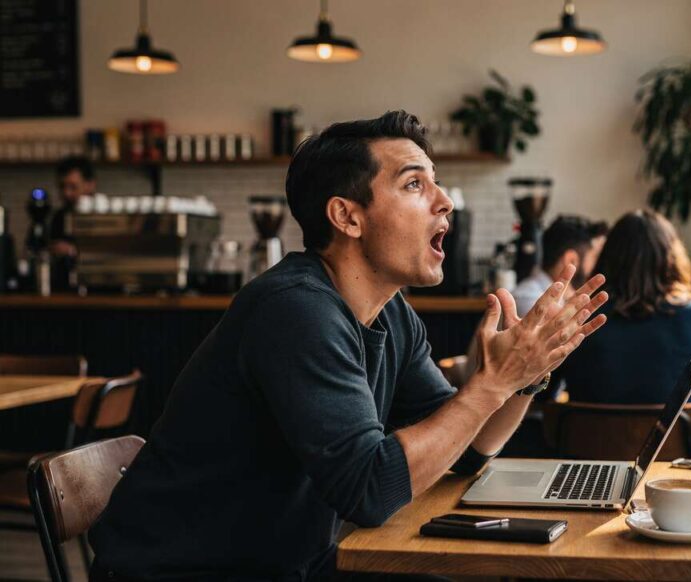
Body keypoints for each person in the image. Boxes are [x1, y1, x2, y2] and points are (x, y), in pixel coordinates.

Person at [88, 111, 608, 580]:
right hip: (182, 571)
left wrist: (523, 377)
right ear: (347, 217)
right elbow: (370, 491)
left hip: (288, 563)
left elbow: (463, 452)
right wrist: (492, 383)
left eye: (436, 181)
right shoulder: (295, 309)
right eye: (414, 183)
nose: (445, 200)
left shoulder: (390, 313)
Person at [556, 209, 691, 409]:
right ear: (672, 260)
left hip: (587, 431)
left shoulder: (578, 320)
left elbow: (543, 392)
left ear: (607, 259)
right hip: (675, 431)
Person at [511, 214, 608, 315]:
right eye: (595, 256)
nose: (599, 264)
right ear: (571, 260)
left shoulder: (563, 299)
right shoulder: (530, 300)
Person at [50, 156, 97, 289]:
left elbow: (112, 255)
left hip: (98, 289)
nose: (67, 193)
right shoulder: (59, 217)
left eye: (73, 187)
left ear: (90, 185)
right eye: (62, 187)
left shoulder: (103, 216)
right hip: (65, 288)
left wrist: (72, 251)